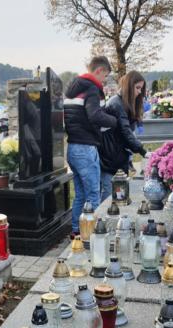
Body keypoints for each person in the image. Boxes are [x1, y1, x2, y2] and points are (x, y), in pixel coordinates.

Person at [64, 55, 118, 237]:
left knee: (80, 194)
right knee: (93, 194)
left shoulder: (73, 89)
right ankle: (95, 235)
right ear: (99, 70)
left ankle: (76, 231)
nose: (104, 80)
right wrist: (114, 121)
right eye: (105, 76)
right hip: (86, 148)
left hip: (72, 147)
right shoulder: (92, 89)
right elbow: (95, 115)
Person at [99, 70, 148, 200]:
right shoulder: (116, 103)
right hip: (110, 157)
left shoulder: (123, 103)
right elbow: (125, 131)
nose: (139, 92)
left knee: (118, 194)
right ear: (129, 86)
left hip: (117, 156)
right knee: (110, 195)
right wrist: (143, 151)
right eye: (137, 88)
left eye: (141, 89)